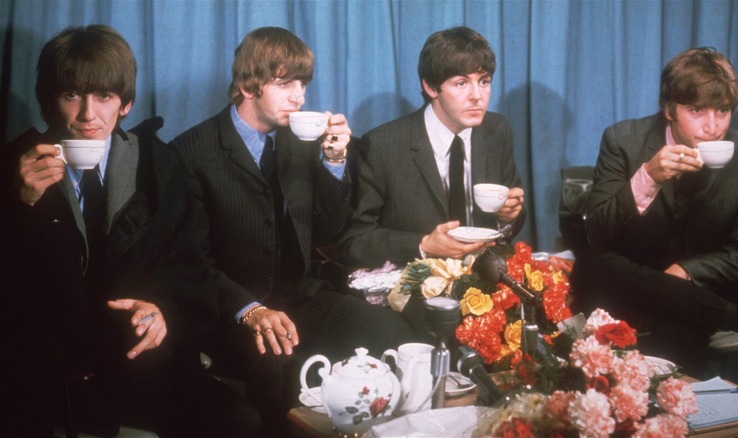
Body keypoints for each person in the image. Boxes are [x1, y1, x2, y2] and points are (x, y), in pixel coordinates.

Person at [0, 25, 261, 436]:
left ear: (125, 103)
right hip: (49, 368)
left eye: (104, 96)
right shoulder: (16, 163)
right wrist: (23, 206)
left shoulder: (159, 165)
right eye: (72, 95)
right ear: (50, 100)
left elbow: (191, 271)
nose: (88, 115)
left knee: (237, 421)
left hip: (141, 359)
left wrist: (164, 313)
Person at [171, 27, 417, 435]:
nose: (299, 97)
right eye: (285, 83)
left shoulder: (300, 141)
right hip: (232, 309)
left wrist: (335, 161)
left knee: (390, 331)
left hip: (299, 295)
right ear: (248, 85)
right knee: (279, 367)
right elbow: (193, 261)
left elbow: (330, 231)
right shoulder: (190, 151)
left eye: (302, 83)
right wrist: (251, 310)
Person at [570, 47, 738, 375]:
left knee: (668, 357)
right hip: (631, 287)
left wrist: (686, 271)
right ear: (670, 109)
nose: (712, 127)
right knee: (591, 262)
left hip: (697, 293)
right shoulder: (623, 140)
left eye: (722, 111)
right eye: (697, 110)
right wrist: (647, 177)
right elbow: (595, 233)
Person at [335, 26, 526, 269]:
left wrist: (507, 217)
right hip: (415, 283)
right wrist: (423, 245)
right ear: (431, 87)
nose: (477, 96)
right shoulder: (383, 145)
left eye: (484, 81)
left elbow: (513, 221)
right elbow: (353, 242)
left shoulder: (497, 130)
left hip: (484, 275)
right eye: (461, 83)